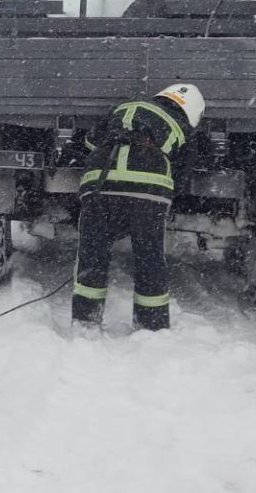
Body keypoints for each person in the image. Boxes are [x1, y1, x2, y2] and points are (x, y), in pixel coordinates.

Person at [72, 82, 202, 331]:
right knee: (149, 258)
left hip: (100, 182)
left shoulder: (124, 107)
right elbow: (181, 172)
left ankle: (85, 321)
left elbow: (89, 142)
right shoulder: (183, 128)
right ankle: (151, 325)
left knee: (92, 254)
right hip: (148, 188)